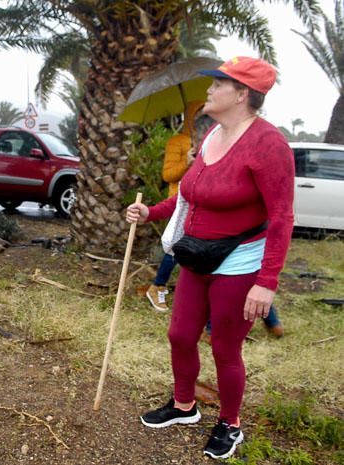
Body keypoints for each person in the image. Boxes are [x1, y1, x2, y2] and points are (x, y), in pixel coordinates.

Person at [126, 57, 294, 460]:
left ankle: (230, 424)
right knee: (180, 335)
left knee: (224, 347)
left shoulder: (268, 145)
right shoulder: (212, 136)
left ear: (242, 94)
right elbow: (188, 194)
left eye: (219, 84)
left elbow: (283, 216)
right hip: (197, 257)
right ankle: (184, 406)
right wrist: (152, 212)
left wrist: (266, 282)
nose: (210, 90)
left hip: (238, 264)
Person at [146, 100, 204, 312]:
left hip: (203, 203)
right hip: (181, 203)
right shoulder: (178, 142)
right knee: (176, 247)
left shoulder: (214, 141)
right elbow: (168, 175)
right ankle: (158, 286)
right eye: (198, 114)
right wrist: (187, 162)